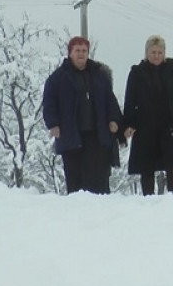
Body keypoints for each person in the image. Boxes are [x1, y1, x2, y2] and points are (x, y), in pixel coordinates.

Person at [42, 36, 123, 195]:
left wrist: (114, 120)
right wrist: (53, 124)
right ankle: (77, 212)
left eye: (84, 51)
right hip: (71, 134)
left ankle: (102, 209)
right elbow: (49, 103)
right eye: (77, 50)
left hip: (97, 134)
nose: (81, 54)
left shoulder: (99, 75)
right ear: (70, 53)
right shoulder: (58, 78)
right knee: (75, 179)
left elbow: (110, 100)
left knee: (99, 177)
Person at [122, 35, 173, 195]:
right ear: (146, 53)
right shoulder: (137, 73)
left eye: (159, 52)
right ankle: (148, 198)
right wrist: (129, 124)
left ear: (164, 53)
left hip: (169, 124)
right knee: (146, 165)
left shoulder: (172, 71)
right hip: (145, 124)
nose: (156, 55)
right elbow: (130, 100)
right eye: (153, 52)